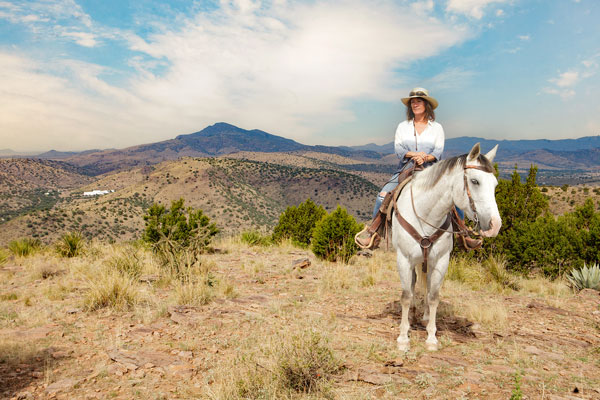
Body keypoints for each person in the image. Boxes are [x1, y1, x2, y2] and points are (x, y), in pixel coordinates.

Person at [356, 87, 445, 249]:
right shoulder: (403, 127)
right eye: (412, 102)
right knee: (382, 196)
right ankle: (374, 235)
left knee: (453, 194)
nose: (415, 104)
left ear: (426, 104)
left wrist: (425, 157)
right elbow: (399, 150)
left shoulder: (437, 127)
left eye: (418, 101)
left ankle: (463, 233)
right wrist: (415, 155)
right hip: (406, 168)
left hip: (431, 168)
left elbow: (438, 151)